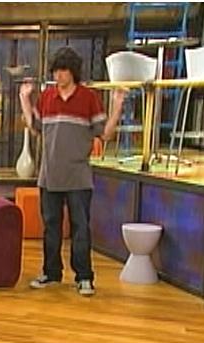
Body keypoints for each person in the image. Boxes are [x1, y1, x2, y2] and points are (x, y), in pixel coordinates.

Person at [19, 46, 125, 296]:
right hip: (49, 175)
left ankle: (84, 277)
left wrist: (117, 106)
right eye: (55, 71)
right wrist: (25, 100)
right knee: (51, 228)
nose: (58, 75)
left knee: (80, 228)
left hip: (78, 177)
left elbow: (105, 134)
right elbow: (35, 128)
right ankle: (51, 273)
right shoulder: (47, 97)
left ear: (73, 72)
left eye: (63, 70)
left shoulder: (88, 98)